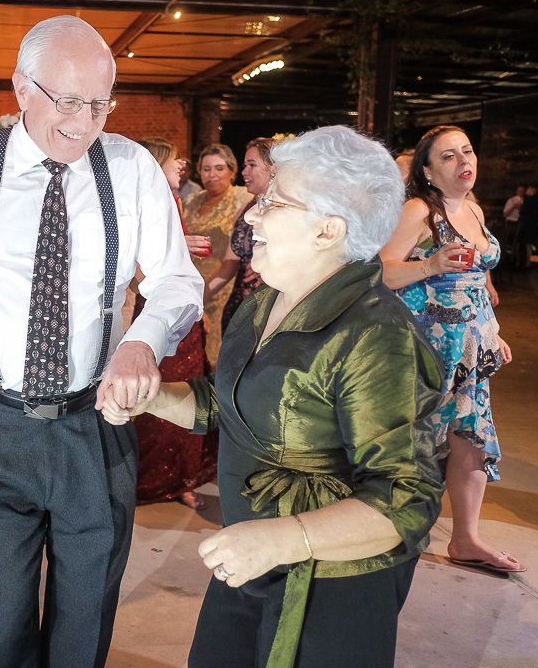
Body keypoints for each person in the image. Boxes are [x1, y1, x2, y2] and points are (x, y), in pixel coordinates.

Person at [0, 15, 204, 667]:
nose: (84, 123)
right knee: (2, 611)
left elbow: (176, 280)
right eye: (68, 101)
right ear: (22, 89)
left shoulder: (133, 167)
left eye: (100, 104)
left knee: (85, 610)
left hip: (96, 425)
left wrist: (142, 341)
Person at [104, 125, 446, 668]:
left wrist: (283, 540)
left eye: (272, 203)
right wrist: (148, 397)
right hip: (254, 558)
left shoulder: (378, 337)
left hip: (329, 584)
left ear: (328, 230)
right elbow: (228, 404)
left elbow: (407, 498)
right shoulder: (267, 301)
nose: (252, 217)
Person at [379, 124, 521, 576]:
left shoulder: (473, 208)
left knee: (471, 439)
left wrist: (492, 332)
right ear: (427, 170)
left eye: (467, 151)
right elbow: (380, 273)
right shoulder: (420, 210)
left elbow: (477, 283)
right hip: (431, 347)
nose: (464, 161)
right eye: (448, 156)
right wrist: (430, 264)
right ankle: (385, 526)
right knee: (420, 439)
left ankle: (465, 539)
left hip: (471, 347)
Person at [132, 137, 213, 511]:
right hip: (156, 308)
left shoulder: (175, 199)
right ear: (154, 163)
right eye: (173, 159)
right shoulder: (140, 200)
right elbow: (135, 264)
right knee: (157, 390)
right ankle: (147, 479)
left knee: (189, 389)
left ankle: (181, 478)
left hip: (183, 307)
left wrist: (198, 306)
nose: (182, 164)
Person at [181, 142, 250, 365]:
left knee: (217, 354)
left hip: (222, 285)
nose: (212, 175)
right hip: (189, 286)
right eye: (206, 169)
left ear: (232, 171)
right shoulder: (191, 201)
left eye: (219, 168)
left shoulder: (242, 198)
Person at [203, 137, 275, 333]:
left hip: (273, 309)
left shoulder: (292, 209)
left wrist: (274, 268)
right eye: (244, 165)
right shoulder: (247, 209)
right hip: (240, 307)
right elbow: (230, 264)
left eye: (252, 165)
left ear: (274, 168)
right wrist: (199, 298)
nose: (244, 172)